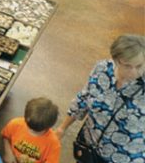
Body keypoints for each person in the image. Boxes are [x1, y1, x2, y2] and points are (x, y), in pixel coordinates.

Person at [57, 34, 145, 163]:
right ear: (116, 60)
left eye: (139, 66)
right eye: (127, 66)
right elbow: (82, 100)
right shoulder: (102, 69)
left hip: (124, 157)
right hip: (90, 146)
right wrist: (62, 128)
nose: (133, 72)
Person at [1, 97, 61, 163]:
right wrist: (8, 152)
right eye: (29, 127)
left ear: (48, 127)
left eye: (37, 131)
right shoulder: (15, 124)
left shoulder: (53, 144)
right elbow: (5, 136)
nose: (31, 132)